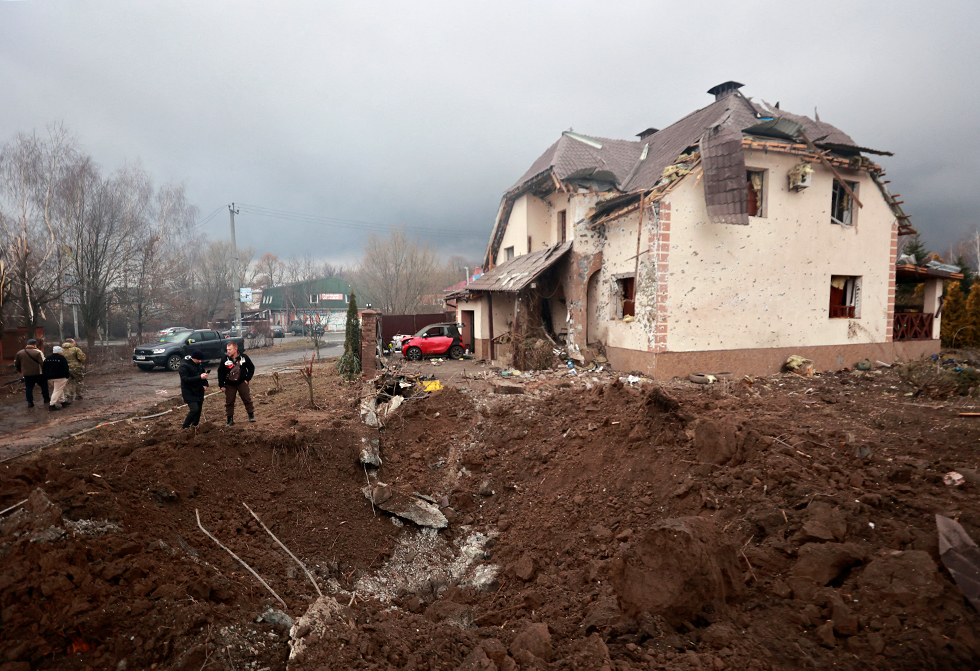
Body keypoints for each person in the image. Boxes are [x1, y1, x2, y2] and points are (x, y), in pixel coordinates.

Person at [218, 341, 255, 426]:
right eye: (227, 349)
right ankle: (230, 420)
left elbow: (251, 368)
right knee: (229, 402)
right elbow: (220, 372)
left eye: (230, 349)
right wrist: (221, 385)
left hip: (242, 382)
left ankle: (251, 415)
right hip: (229, 384)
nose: (228, 351)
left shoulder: (244, 357)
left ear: (235, 349)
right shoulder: (224, 359)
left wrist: (247, 379)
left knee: (247, 399)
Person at [179, 349, 209, 429]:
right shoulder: (184, 366)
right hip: (189, 391)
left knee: (199, 410)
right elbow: (185, 379)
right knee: (194, 409)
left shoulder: (199, 364)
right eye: (198, 359)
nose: (200, 361)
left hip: (199, 390)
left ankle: (195, 426)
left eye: (200, 359)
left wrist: (205, 384)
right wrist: (199, 377)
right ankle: (185, 426)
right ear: (193, 358)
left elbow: (202, 374)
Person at [14, 339, 49, 408]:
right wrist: (46, 371)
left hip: (27, 374)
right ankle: (46, 399)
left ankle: (30, 402)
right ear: (34, 345)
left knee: (29, 388)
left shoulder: (20, 353)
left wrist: (19, 370)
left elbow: (16, 363)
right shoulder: (38, 352)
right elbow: (43, 363)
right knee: (44, 386)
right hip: (39, 373)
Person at [42, 345, 71, 411]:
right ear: (59, 352)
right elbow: (65, 367)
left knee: (59, 389)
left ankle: (63, 402)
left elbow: (44, 368)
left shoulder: (48, 358)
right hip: (60, 377)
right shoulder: (61, 358)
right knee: (57, 390)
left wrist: (45, 376)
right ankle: (52, 405)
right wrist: (67, 375)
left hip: (49, 378)